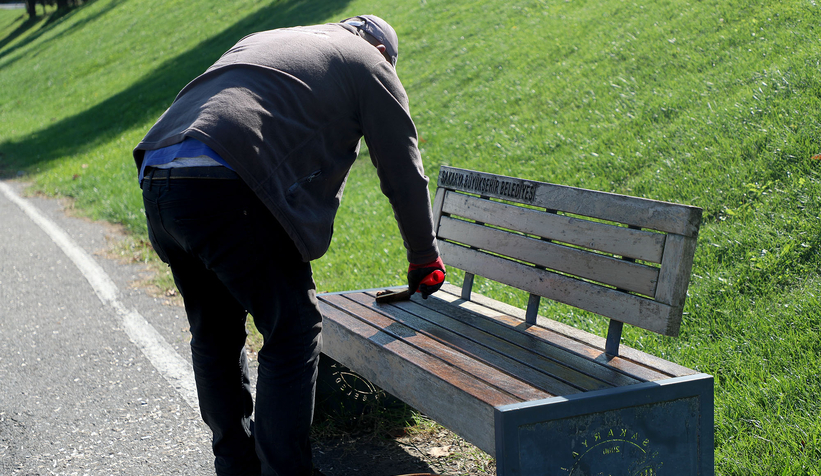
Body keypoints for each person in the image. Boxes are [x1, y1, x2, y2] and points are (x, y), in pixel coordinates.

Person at [132, 15, 446, 476]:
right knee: (293, 329)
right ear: (384, 53)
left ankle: (236, 465)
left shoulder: (274, 39)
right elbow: (403, 170)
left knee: (215, 331)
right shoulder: (368, 62)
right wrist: (424, 257)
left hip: (161, 175)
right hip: (227, 181)